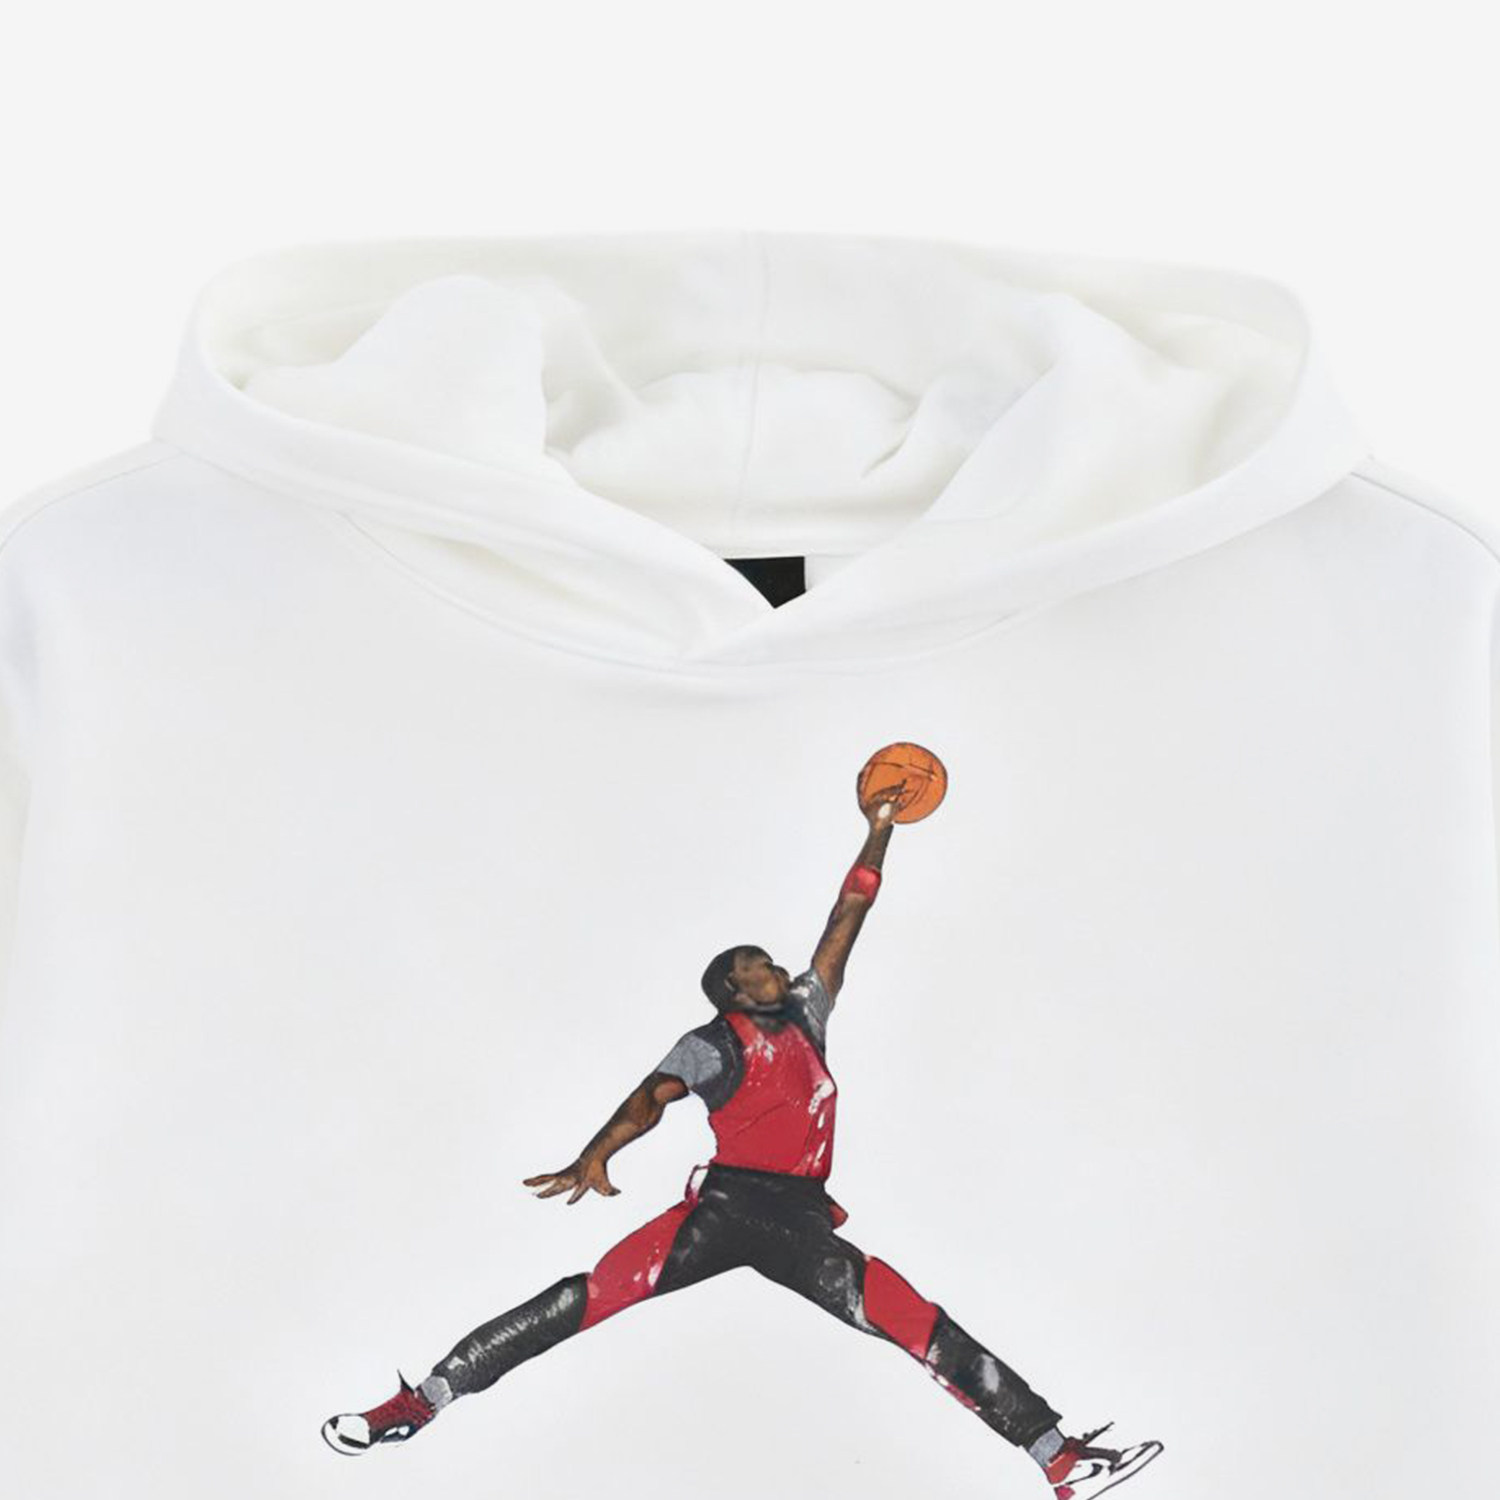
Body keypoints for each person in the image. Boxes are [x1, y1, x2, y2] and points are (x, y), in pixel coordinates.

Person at [321, 785, 1164, 1498]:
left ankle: (1058, 1461)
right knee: (584, 1298)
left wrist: (880, 827)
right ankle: (421, 1401)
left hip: (800, 1223)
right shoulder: (713, 1041)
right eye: (756, 964)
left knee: (918, 1321)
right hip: (722, 1213)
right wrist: (598, 1152)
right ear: (733, 985)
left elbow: (849, 913)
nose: (774, 968)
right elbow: (651, 1097)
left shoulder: (807, 1014)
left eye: (770, 961)